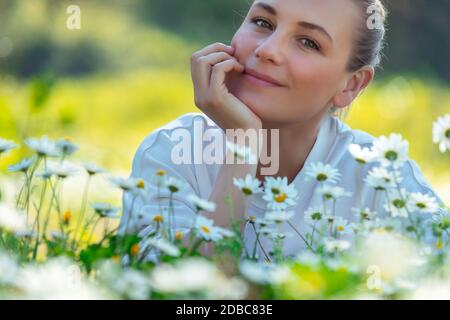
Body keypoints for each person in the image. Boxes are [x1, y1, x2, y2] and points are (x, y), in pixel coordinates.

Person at [120, 0, 446, 259]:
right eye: (263, 23)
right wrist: (242, 144)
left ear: (351, 84)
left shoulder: (381, 178)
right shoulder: (173, 155)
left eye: (308, 42)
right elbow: (185, 296)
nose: (268, 50)